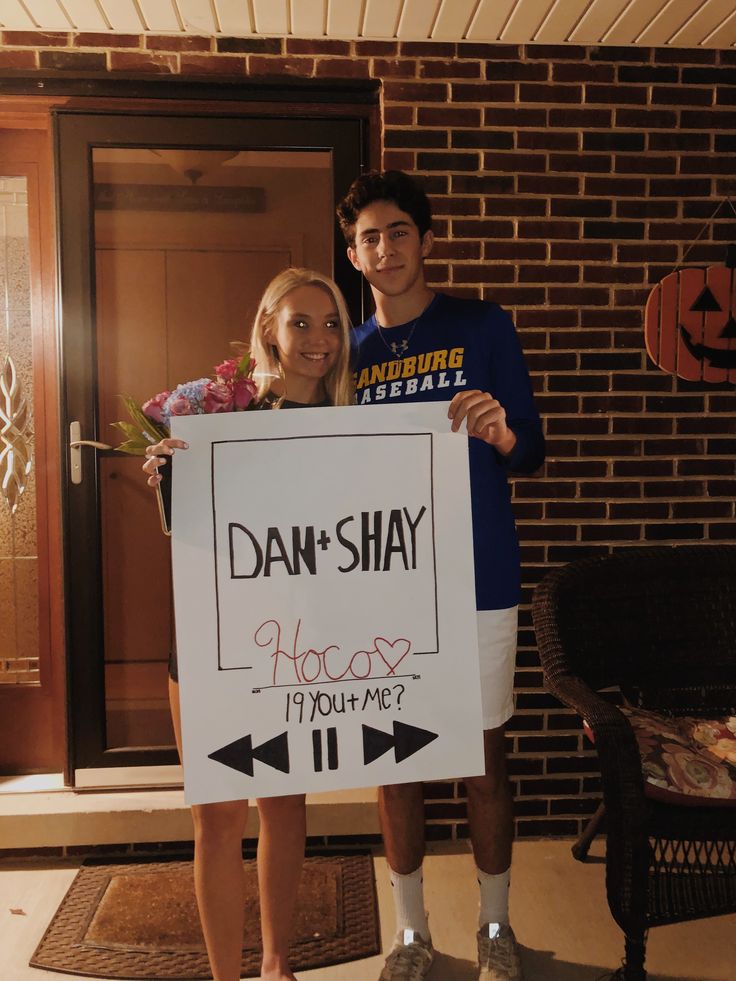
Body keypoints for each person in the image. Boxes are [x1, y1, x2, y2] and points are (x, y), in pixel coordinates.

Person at [337, 171, 545, 981]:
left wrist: (501, 434)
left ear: (426, 239)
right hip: (382, 588)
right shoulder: (345, 352)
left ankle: (496, 925)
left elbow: (531, 447)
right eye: (368, 238)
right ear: (352, 254)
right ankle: (411, 934)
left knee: (483, 756)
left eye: (397, 232)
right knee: (397, 760)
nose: (383, 249)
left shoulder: (484, 325)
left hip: (478, 574)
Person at [141, 267, 354, 981]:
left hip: (301, 642)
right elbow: (185, 529)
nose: (319, 338)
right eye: (301, 321)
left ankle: (275, 964)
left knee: (286, 806)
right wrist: (169, 473)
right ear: (269, 327)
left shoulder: (360, 422)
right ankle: (225, 975)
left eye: (331, 323)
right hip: (213, 636)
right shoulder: (216, 410)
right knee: (217, 813)